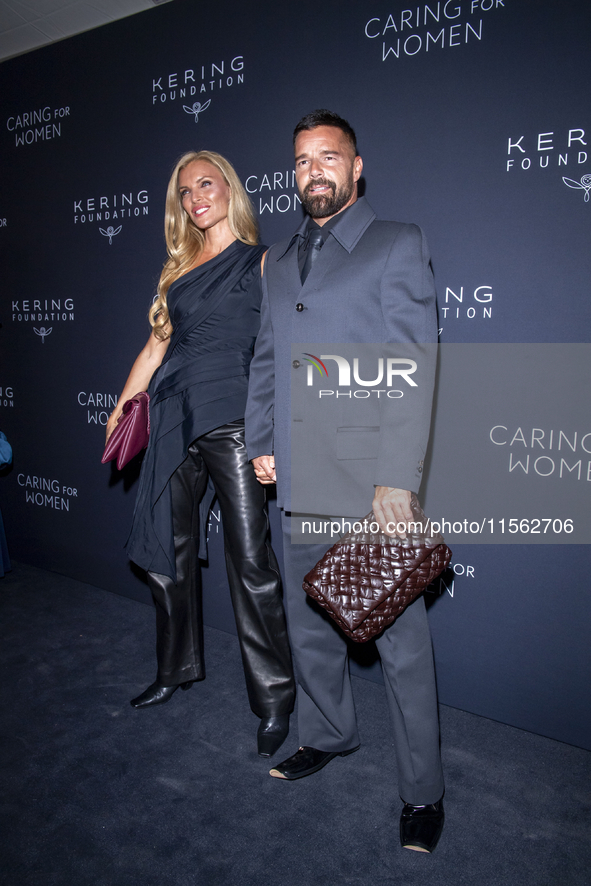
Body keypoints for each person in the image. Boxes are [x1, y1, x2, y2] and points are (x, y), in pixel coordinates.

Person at [245, 111, 445, 851]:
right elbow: (267, 358)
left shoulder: (396, 243)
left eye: (328, 157)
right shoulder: (280, 260)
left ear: (356, 168)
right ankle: (327, 735)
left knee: (401, 647)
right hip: (297, 480)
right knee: (310, 630)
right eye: (301, 161)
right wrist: (262, 442)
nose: (313, 171)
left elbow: (412, 364)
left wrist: (396, 478)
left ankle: (422, 792)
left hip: (369, 488)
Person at [106, 151, 295, 758]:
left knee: (250, 562)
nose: (195, 198)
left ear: (229, 190)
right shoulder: (178, 271)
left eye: (205, 184)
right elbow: (153, 350)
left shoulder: (264, 262)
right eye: (185, 192)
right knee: (170, 552)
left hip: (234, 419)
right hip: (170, 416)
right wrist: (124, 402)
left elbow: (281, 354)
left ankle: (273, 700)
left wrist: (276, 432)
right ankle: (174, 669)